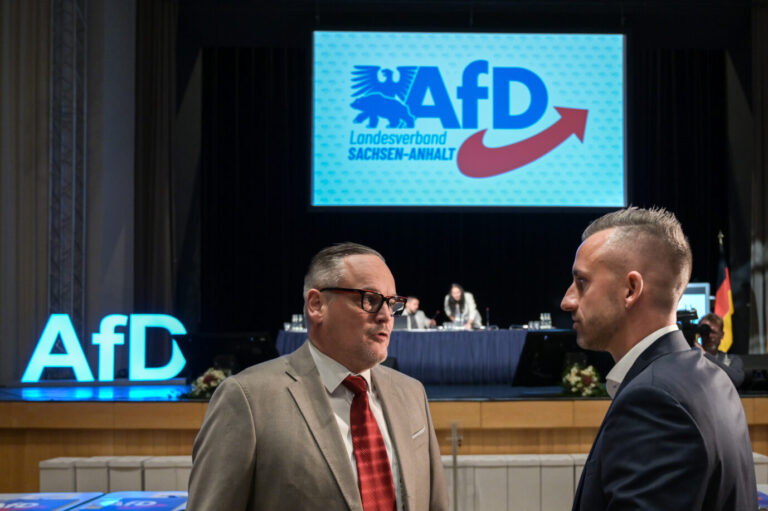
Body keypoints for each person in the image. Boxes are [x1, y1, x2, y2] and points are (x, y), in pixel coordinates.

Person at [187, 242, 448, 511]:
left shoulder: (412, 393)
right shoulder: (248, 400)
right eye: (370, 299)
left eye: (392, 303)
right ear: (316, 304)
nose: (386, 316)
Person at [560, 207, 756, 510]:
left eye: (582, 282)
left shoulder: (653, 400)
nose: (567, 300)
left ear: (631, 289)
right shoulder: (711, 377)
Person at [696, 312, 745, 388]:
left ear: (722, 335)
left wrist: (705, 355)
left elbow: (737, 380)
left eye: (713, 332)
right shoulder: (693, 359)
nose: (710, 336)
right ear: (699, 334)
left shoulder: (731, 360)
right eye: (706, 332)